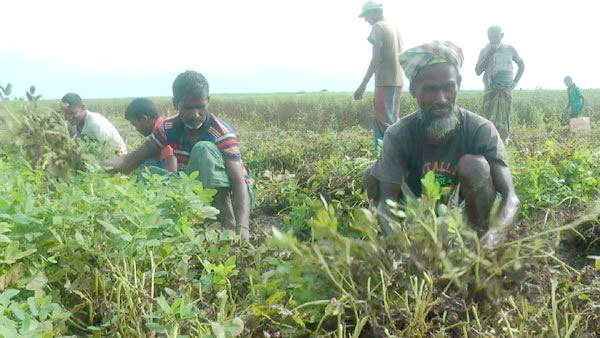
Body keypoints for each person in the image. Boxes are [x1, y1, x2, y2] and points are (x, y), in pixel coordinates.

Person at [364, 41, 520, 249]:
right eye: (430, 90)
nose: (441, 99)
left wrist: (492, 238)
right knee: (372, 175)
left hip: (465, 217)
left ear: (458, 84)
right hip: (417, 218)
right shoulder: (398, 134)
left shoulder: (480, 129)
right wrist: (401, 247)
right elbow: (386, 203)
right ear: (413, 91)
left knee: (475, 166)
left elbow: (511, 198)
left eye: (448, 87)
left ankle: (474, 239)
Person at [107, 71, 252, 240]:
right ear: (175, 103)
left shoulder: (220, 132)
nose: (195, 114)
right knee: (147, 171)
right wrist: (96, 169)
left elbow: (239, 184)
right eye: (187, 108)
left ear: (208, 101)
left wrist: (243, 228)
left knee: (202, 150)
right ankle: (192, 217)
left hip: (235, 198)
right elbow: (132, 159)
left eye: (200, 106)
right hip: (197, 192)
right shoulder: (167, 128)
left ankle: (226, 223)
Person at [353, 0, 404, 154]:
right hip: (397, 81)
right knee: (394, 121)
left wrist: (362, 85)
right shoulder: (394, 27)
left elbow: (376, 58)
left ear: (375, 12)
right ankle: (399, 154)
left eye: (367, 15)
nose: (366, 20)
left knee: (383, 123)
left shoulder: (378, 27)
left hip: (384, 81)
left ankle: (383, 158)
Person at [475, 25, 524, 143]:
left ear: (502, 35)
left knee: (504, 119)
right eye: (490, 37)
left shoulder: (510, 49)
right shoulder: (484, 51)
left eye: (495, 36)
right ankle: (490, 144)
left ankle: (502, 145)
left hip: (506, 91)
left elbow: (522, 65)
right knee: (488, 120)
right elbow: (477, 71)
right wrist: (488, 55)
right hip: (490, 90)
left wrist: (515, 82)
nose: (492, 39)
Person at [61, 93, 127, 155]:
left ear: (83, 107)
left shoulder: (95, 122)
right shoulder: (74, 123)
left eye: (72, 113)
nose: (69, 117)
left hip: (118, 156)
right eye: (66, 114)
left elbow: (110, 148)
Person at [124, 97, 176, 171]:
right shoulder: (161, 126)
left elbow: (172, 169)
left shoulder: (162, 133)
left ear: (144, 119)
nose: (136, 129)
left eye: (135, 125)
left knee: (146, 163)